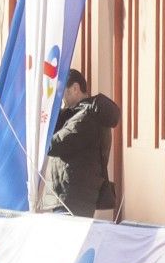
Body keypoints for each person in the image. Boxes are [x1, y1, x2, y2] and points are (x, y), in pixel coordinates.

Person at [41, 70, 122, 218]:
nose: (60, 97)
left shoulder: (86, 116)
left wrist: (38, 138)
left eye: (61, 91)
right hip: (71, 195)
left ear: (75, 88)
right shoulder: (78, 114)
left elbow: (56, 144)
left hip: (73, 196)